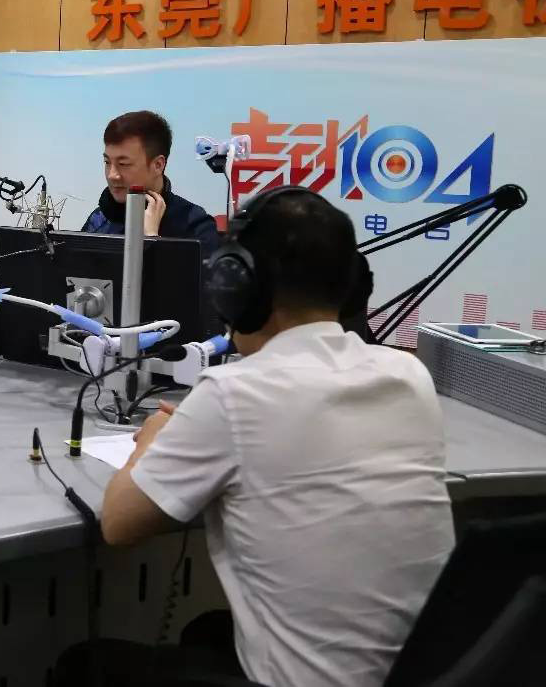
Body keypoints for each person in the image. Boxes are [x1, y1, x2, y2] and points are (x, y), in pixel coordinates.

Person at [63, 187, 454, 687]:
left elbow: (118, 524)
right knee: (208, 630)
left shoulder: (233, 393)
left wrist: (152, 441)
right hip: (416, 672)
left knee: (86, 665)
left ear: (236, 289)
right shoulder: (408, 375)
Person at [82, 110, 220, 254]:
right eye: (107, 162)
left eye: (123, 164)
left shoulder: (194, 225)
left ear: (158, 165)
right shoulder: (99, 220)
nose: (112, 175)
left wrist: (151, 238)